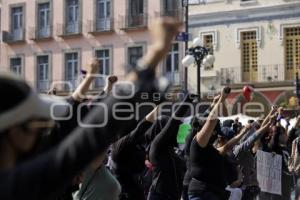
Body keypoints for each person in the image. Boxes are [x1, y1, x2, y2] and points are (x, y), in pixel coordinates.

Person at [0, 17, 181, 200]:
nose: (44, 134)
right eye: (39, 125)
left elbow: (74, 115)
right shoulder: (16, 186)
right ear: (15, 133)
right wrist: (154, 53)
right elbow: (87, 139)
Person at [146, 94, 192, 200]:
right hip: (160, 196)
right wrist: (187, 100)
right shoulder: (156, 146)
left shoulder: (170, 150)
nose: (174, 132)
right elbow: (172, 123)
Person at [111, 107, 159, 200]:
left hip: (136, 190)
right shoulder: (120, 147)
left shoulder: (133, 145)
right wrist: (159, 107)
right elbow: (141, 128)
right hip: (125, 194)